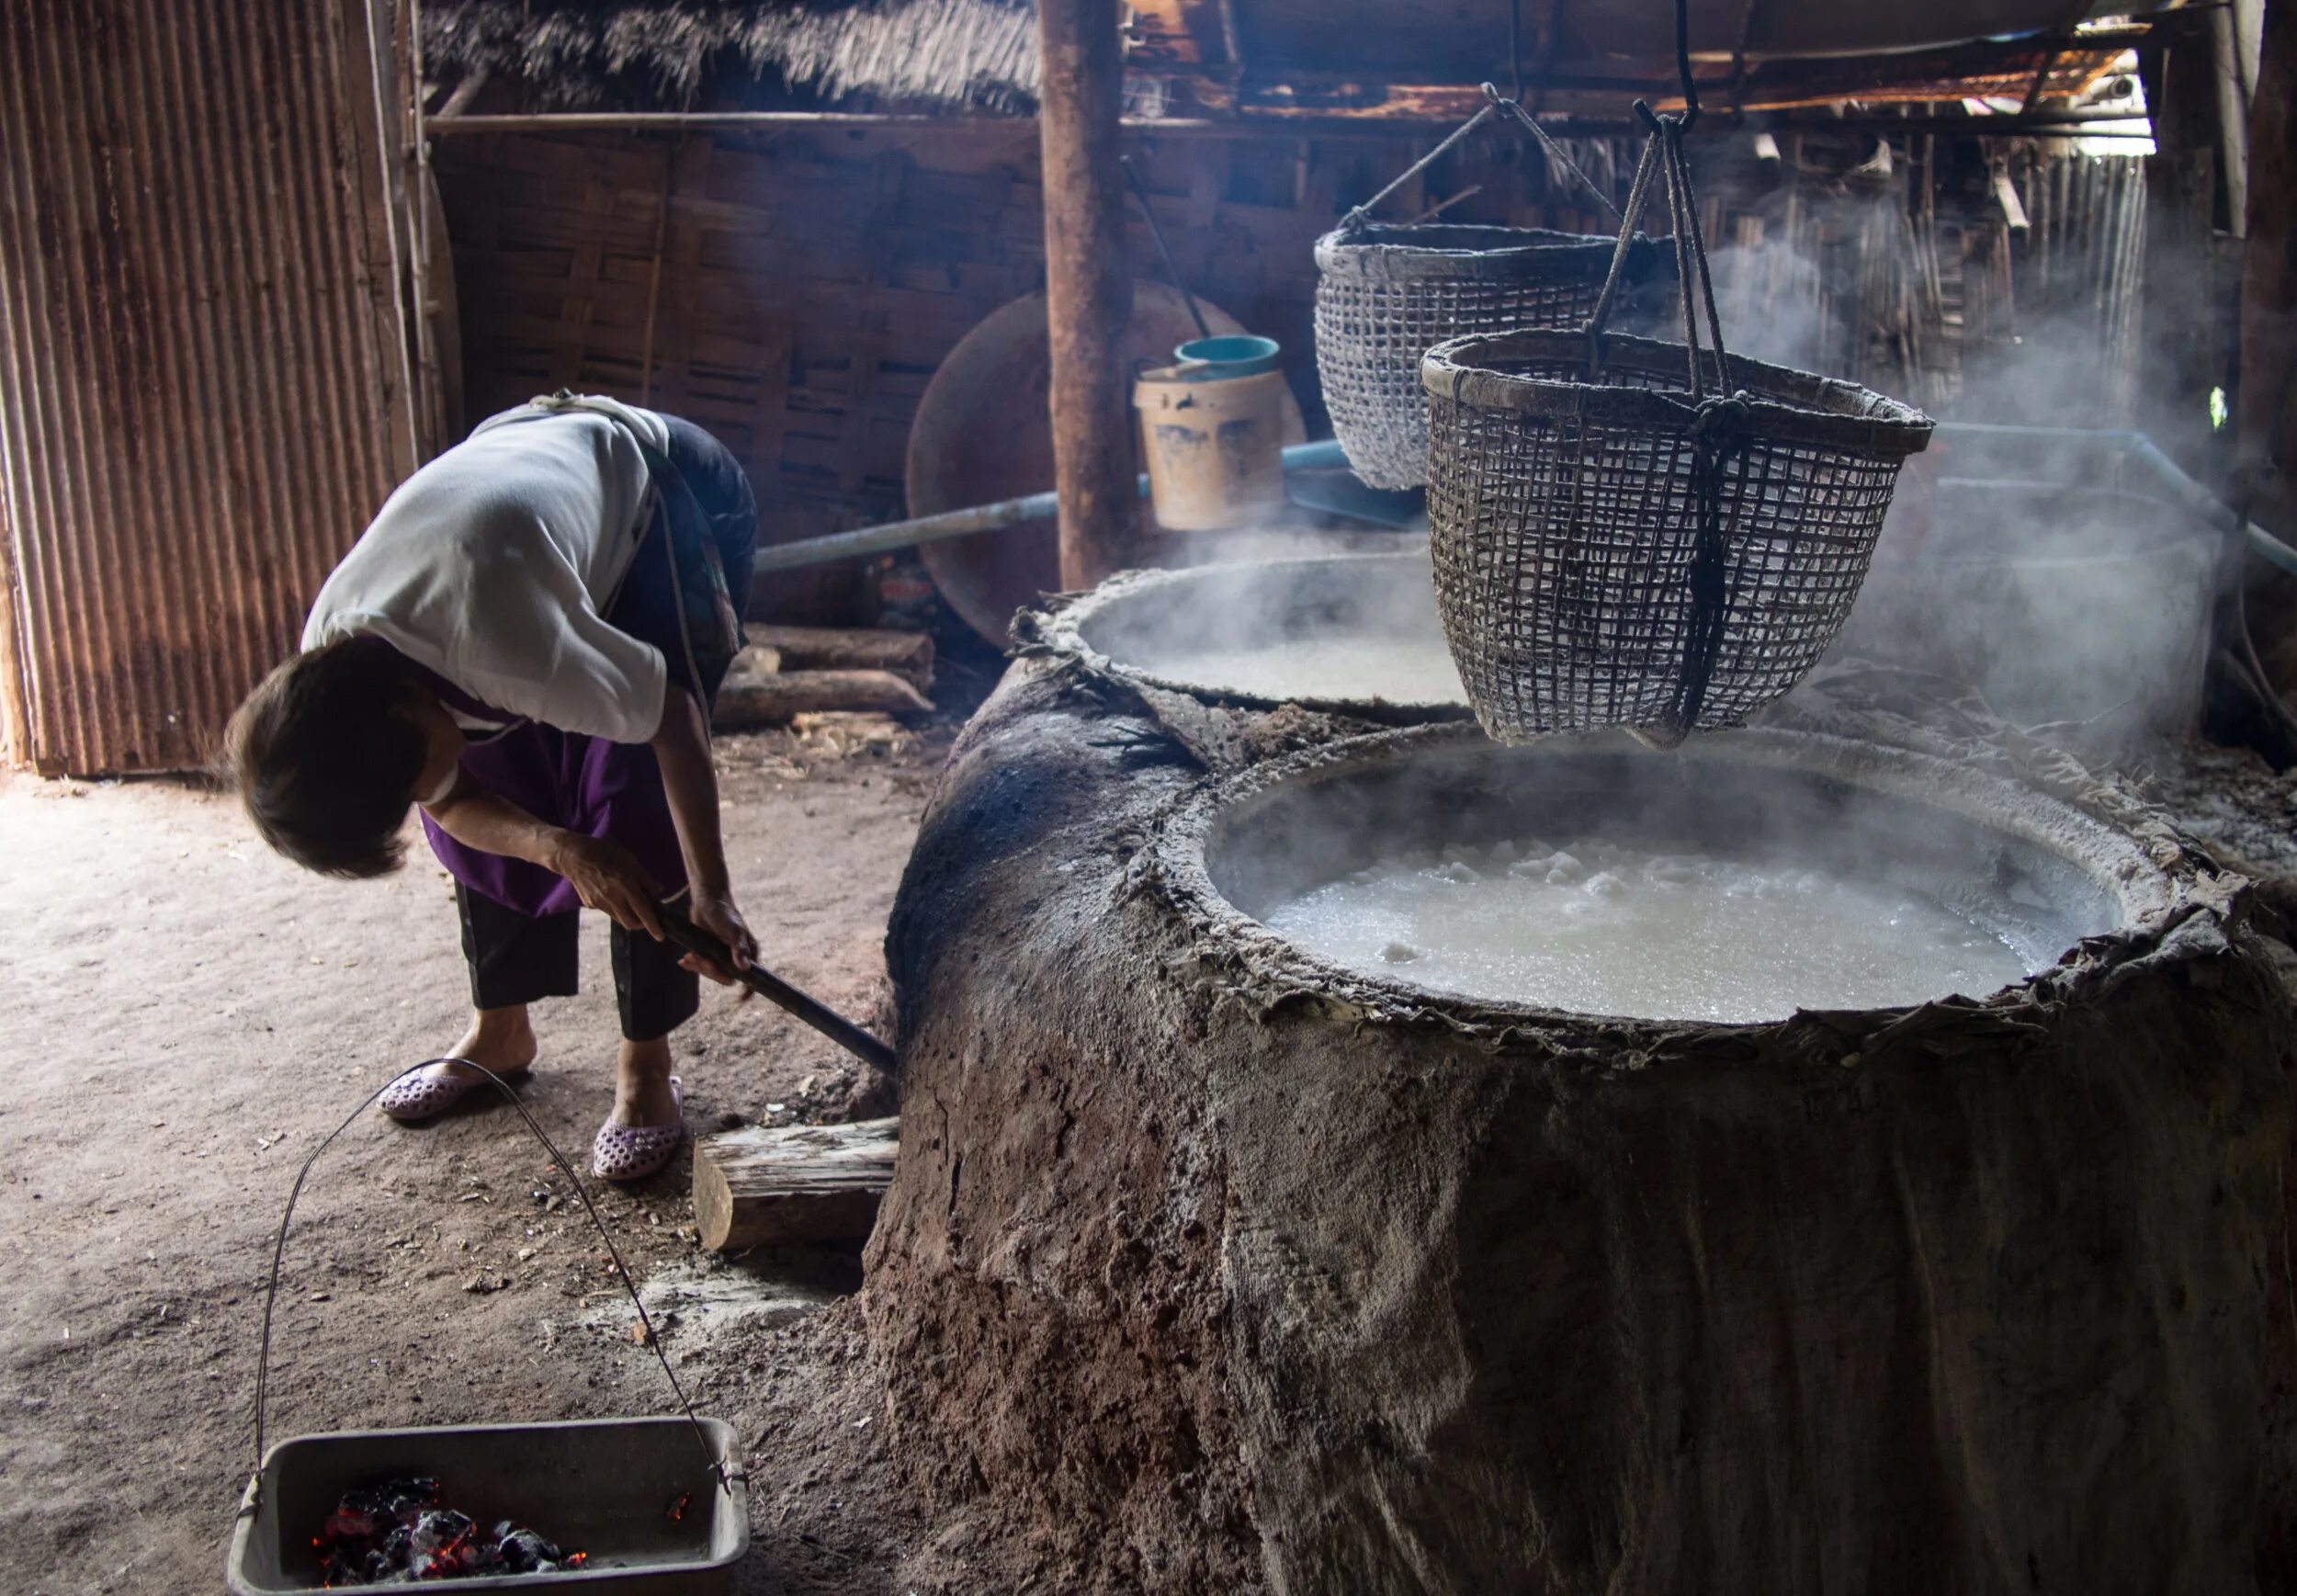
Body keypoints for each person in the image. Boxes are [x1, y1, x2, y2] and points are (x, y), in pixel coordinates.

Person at [224, 393, 760, 1182]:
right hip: (521, 514)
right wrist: (559, 846)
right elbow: (449, 799)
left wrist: (711, 891)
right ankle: (501, 1032)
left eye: (413, 775)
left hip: (664, 492)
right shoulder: (329, 666)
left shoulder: (502, 640)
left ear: (410, 704)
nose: (425, 794)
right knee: (503, 781)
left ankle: (646, 1061)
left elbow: (672, 718)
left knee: (635, 791)